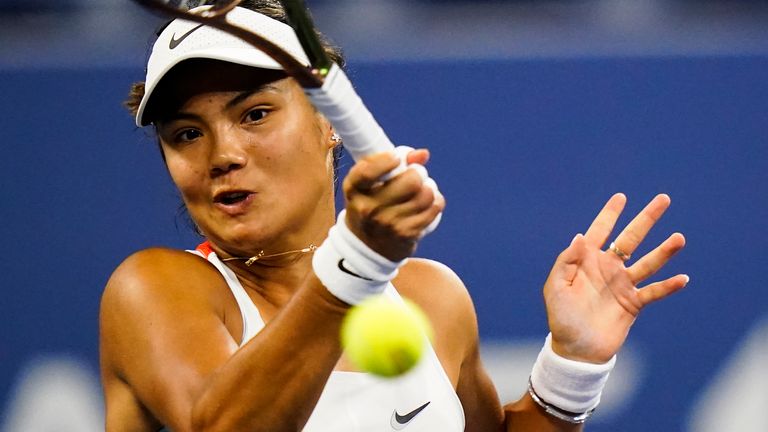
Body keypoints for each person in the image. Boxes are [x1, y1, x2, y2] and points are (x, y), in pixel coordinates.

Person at [99, 1, 688, 431]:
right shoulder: (152, 291)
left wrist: (572, 366)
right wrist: (354, 261)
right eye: (185, 134)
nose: (222, 154)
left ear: (327, 123)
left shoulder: (431, 297)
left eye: (254, 114)